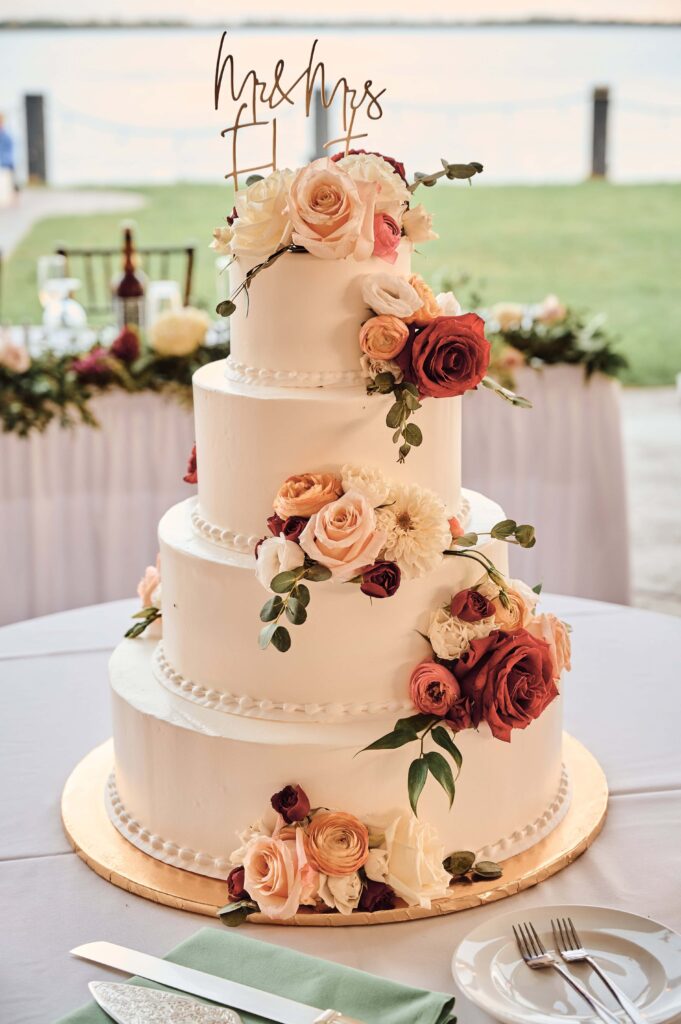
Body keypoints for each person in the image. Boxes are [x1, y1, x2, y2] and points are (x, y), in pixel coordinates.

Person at [0, 114, 18, 194]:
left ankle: (14, 199)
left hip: (6, 162)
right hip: (6, 161)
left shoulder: (6, 134)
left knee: (12, 182)